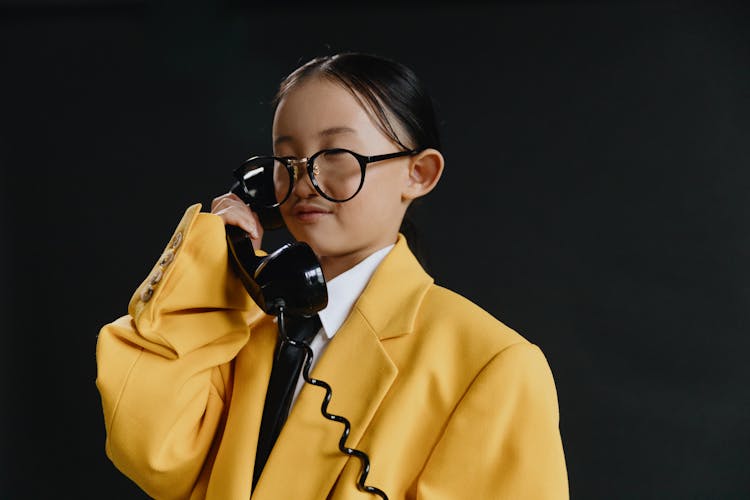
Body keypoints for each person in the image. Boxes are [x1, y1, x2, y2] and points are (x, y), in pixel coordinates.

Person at [95, 52, 568, 499]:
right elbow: (151, 448)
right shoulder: (239, 331)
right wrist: (210, 262)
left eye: (337, 155)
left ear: (418, 173)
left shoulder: (492, 364)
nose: (305, 182)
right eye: (286, 162)